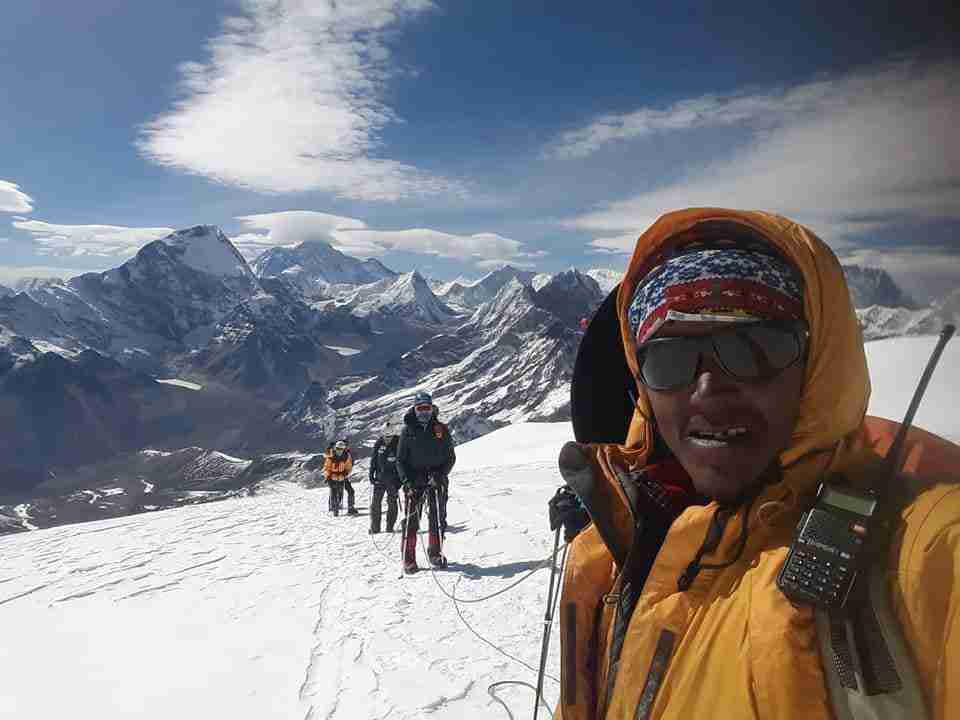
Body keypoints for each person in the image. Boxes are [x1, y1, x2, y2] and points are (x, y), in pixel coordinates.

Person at [552, 208, 959, 720]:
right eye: (670, 358)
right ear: (642, 381)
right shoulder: (624, 544)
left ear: (816, 368)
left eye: (753, 348)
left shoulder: (922, 553)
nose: (707, 392)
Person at [397, 391, 456, 573]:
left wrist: (441, 474)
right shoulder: (407, 431)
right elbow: (400, 460)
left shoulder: (441, 429)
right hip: (414, 481)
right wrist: (407, 482)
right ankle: (409, 559)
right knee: (412, 521)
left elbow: (450, 456)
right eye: (420, 408)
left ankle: (435, 553)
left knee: (436, 519)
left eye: (427, 408)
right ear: (414, 409)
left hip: (436, 480)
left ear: (432, 409)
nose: (424, 412)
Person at [368, 424, 401, 534]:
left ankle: (389, 527)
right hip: (380, 478)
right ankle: (375, 528)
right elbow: (374, 459)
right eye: (385, 437)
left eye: (389, 437)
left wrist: (400, 480)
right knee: (375, 503)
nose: (387, 439)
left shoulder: (399, 444)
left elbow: (403, 462)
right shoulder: (379, 443)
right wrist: (371, 474)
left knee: (392, 502)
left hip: (394, 479)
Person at [323, 438, 357, 516]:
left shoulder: (346, 457)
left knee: (348, 491)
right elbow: (326, 468)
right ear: (335, 448)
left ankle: (346, 508)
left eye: (341, 449)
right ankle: (335, 509)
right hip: (333, 477)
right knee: (335, 492)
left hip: (342, 476)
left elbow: (348, 467)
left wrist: (345, 474)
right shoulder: (331, 457)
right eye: (338, 449)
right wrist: (328, 477)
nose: (339, 450)